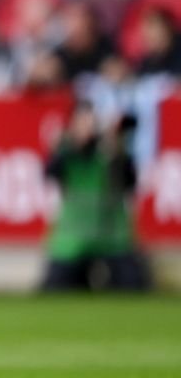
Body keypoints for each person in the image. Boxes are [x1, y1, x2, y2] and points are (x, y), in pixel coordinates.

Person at [41, 104, 151, 292]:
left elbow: (130, 182)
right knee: (55, 289)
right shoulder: (66, 152)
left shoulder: (111, 153)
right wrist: (71, 144)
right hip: (73, 239)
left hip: (112, 237)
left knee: (133, 285)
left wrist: (115, 149)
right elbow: (50, 172)